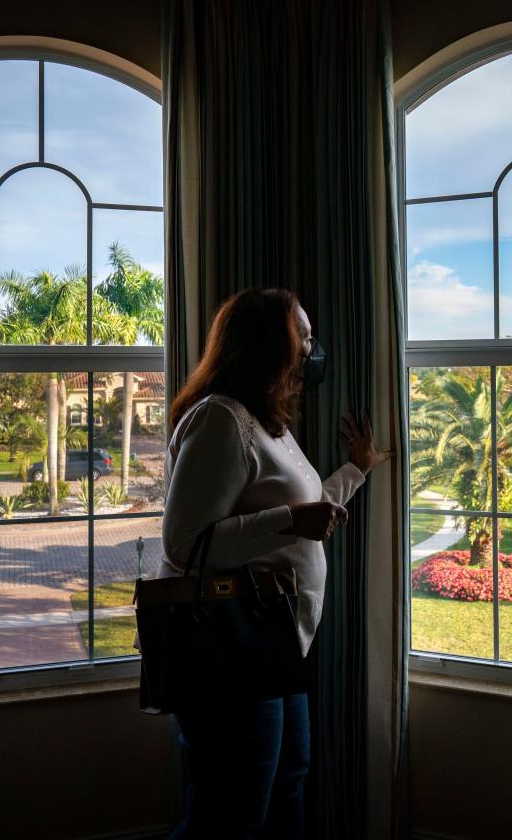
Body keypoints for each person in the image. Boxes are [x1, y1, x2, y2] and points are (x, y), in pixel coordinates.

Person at [158, 287, 392, 840]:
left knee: (287, 783)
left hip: (273, 646)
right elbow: (183, 545)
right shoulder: (221, 421)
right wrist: (288, 521)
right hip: (229, 656)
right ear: (268, 348)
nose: (313, 351)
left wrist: (355, 471)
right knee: (229, 816)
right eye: (303, 339)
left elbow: (305, 510)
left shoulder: (269, 426)